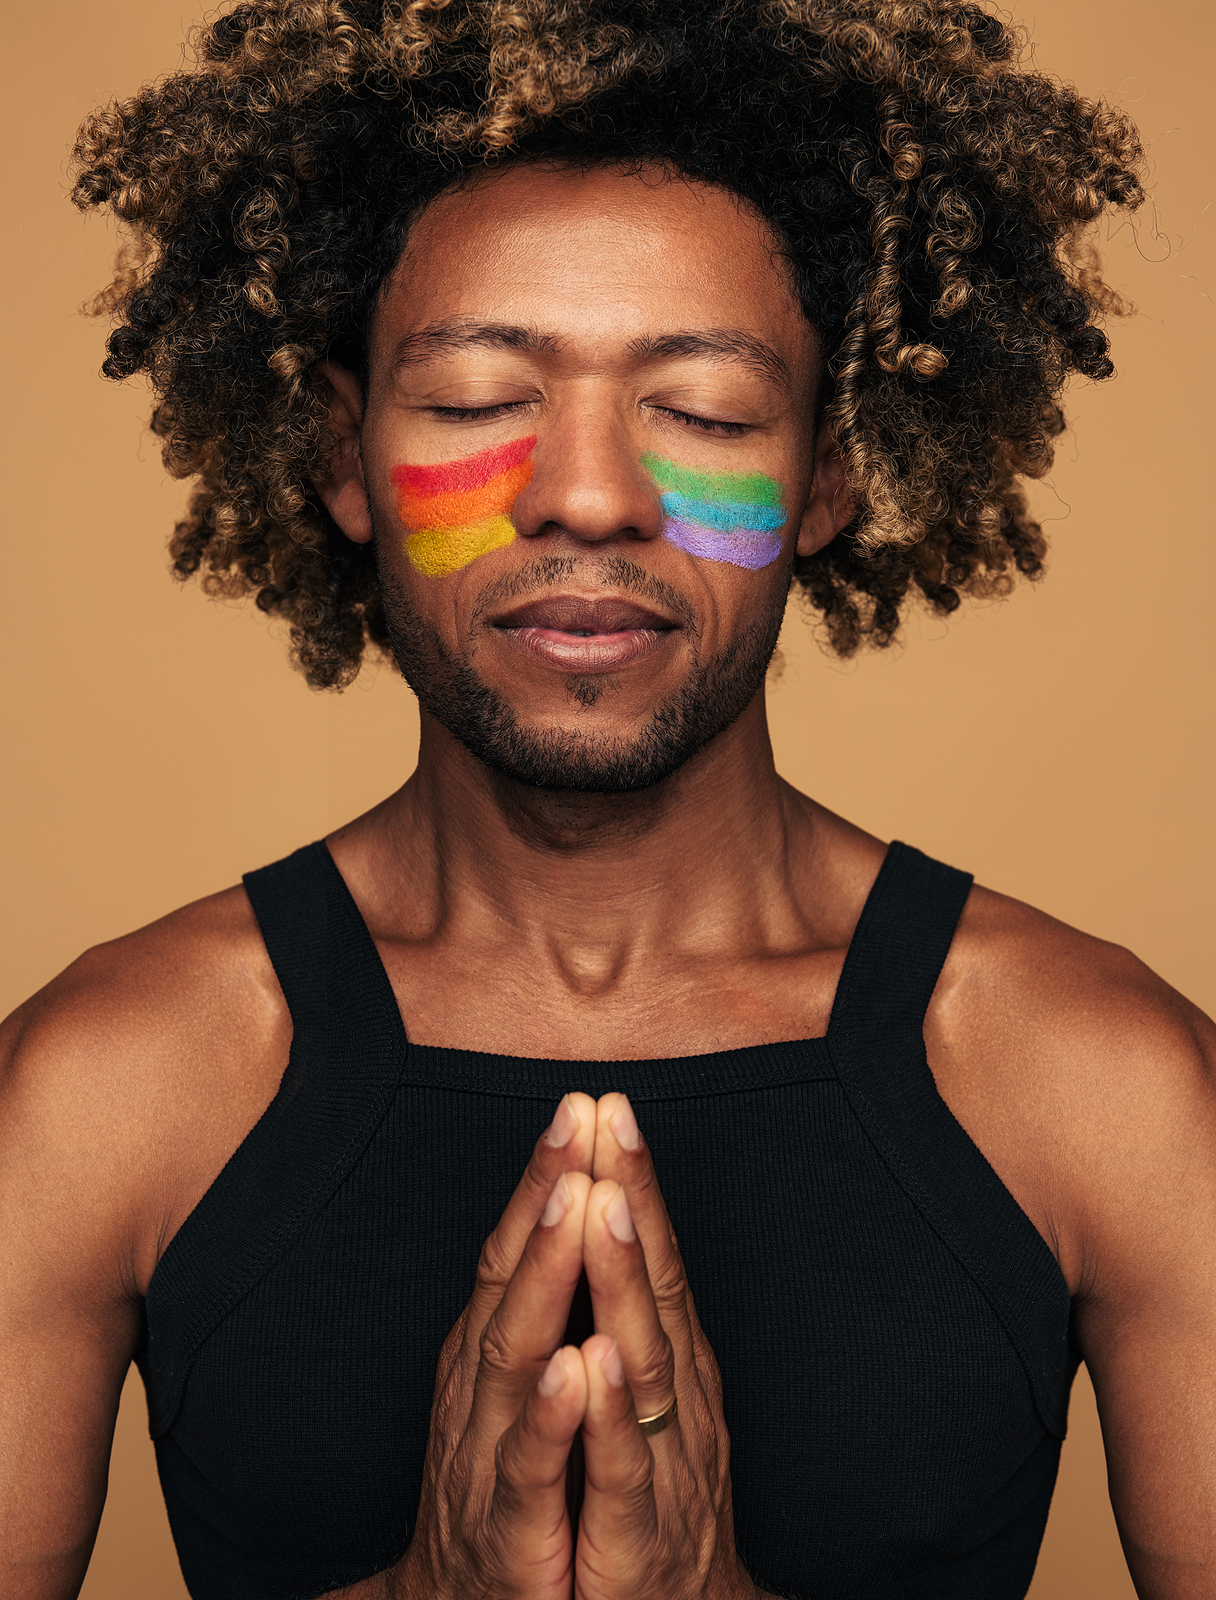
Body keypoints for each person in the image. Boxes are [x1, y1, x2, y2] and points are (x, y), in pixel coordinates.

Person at [1, 1, 1213, 1597]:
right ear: (341, 455)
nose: (587, 492)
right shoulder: (105, 1091)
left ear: (834, 472)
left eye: (704, 411)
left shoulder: (1102, 1089)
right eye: (476, 398)